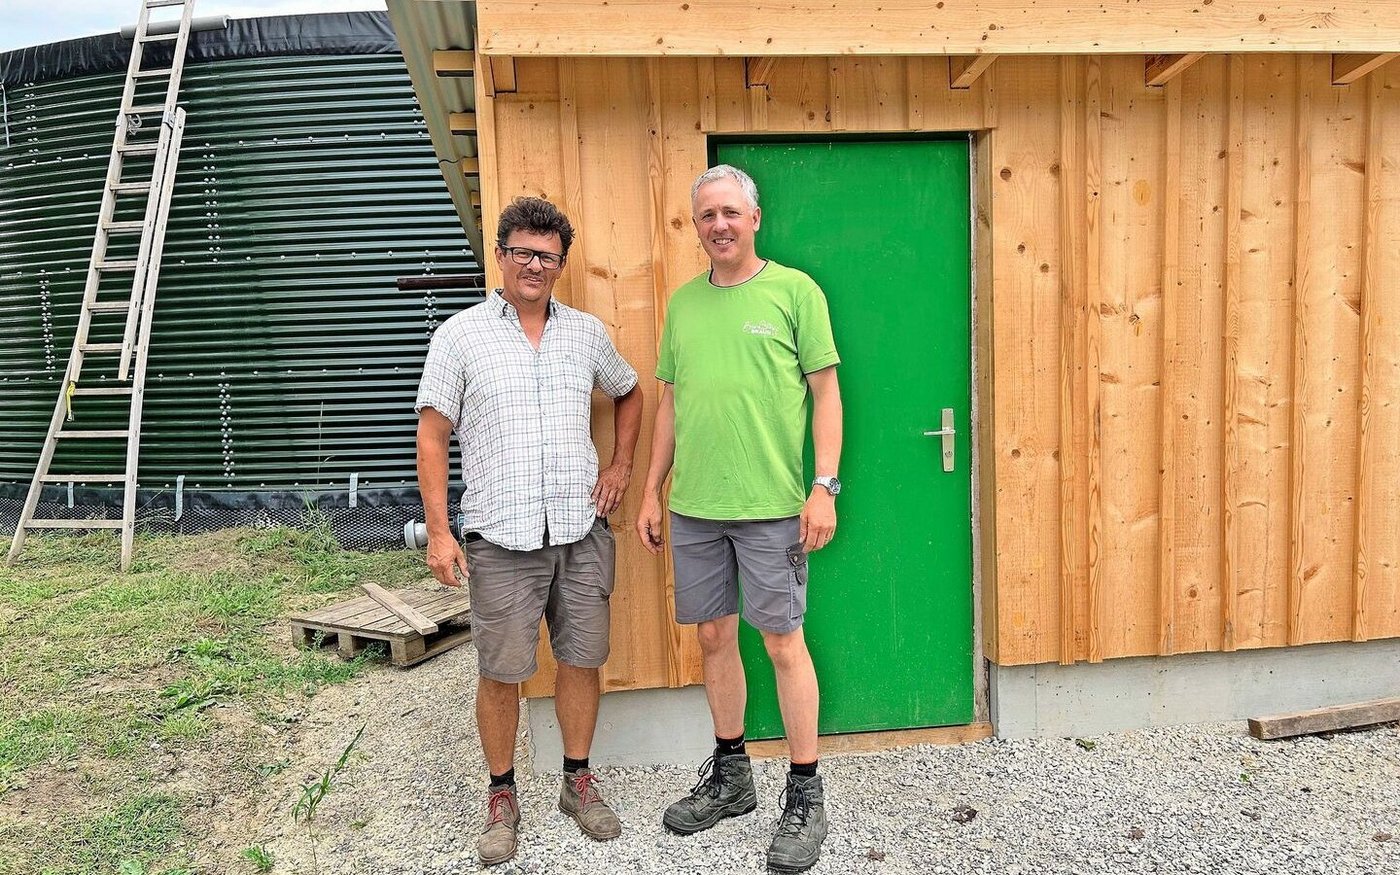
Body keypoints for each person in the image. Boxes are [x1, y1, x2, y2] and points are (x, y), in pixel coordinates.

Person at [415, 196, 643, 867]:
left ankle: (577, 780)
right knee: (501, 670)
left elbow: (629, 390)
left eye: (547, 255)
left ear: (561, 263)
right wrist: (438, 532)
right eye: (523, 251)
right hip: (501, 535)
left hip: (579, 528)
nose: (534, 265)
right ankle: (502, 794)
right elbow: (432, 436)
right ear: (502, 255)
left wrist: (622, 464)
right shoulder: (460, 336)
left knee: (581, 657)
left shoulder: (585, 333)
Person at [636, 165, 843, 874]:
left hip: (771, 510)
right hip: (695, 508)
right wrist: (650, 489)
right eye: (706, 216)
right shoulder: (685, 305)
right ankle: (732, 777)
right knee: (714, 638)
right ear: (695, 227)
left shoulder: (794, 292)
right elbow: (669, 404)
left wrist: (825, 487)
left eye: (729, 212)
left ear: (754, 218)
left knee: (784, 644)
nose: (718, 225)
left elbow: (827, 394)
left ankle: (805, 792)